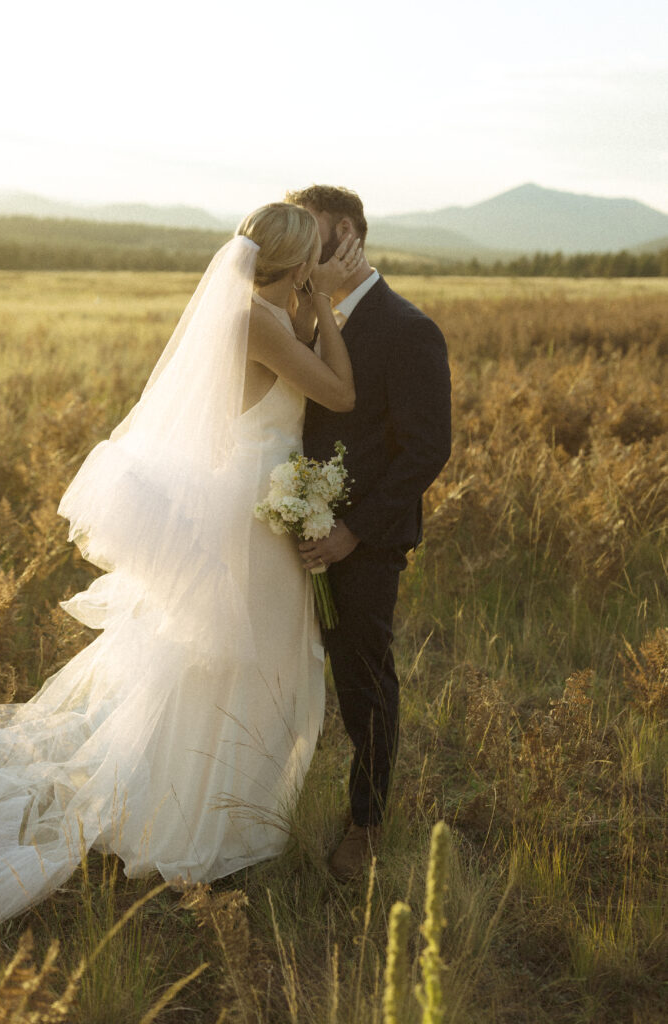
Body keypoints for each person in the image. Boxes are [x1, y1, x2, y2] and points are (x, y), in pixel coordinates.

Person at [0, 203, 363, 926]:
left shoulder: (260, 313)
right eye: (312, 259)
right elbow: (341, 393)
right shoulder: (261, 323)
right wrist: (323, 302)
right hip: (252, 518)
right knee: (236, 663)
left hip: (258, 502)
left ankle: (221, 808)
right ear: (293, 266)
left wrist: (310, 304)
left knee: (234, 661)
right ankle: (194, 817)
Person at [285, 185, 451, 881]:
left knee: (363, 681)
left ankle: (366, 822)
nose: (297, 248)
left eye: (310, 233)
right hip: (291, 527)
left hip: (364, 540)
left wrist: (352, 532)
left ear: (346, 235)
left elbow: (424, 449)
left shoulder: (406, 329)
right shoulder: (296, 317)